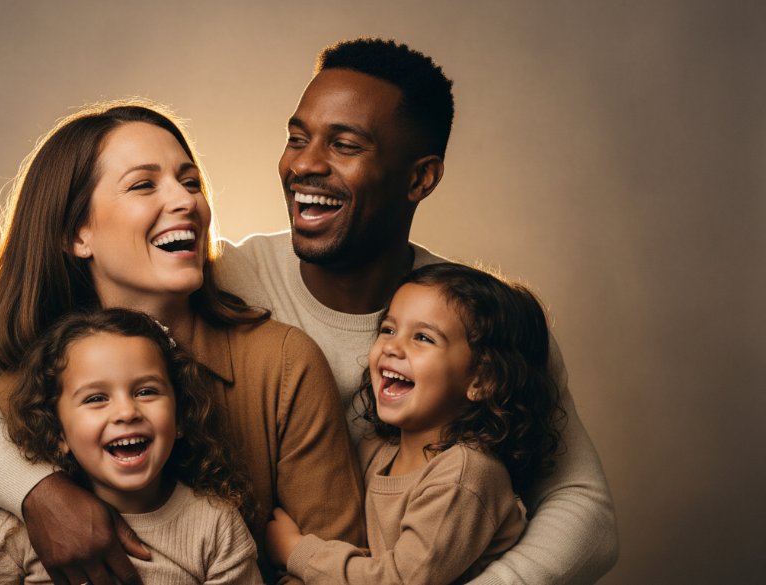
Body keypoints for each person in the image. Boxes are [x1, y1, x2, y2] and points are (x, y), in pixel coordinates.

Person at [0, 102, 365, 585]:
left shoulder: (283, 364)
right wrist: (38, 492)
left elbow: (329, 564)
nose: (186, 201)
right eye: (143, 185)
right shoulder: (31, 380)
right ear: (77, 234)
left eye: (191, 182)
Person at [212, 38, 619, 584]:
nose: (304, 163)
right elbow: (94, 338)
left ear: (419, 178)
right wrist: (77, 491)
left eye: (345, 145)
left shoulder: (481, 320)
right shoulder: (222, 281)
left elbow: (585, 511)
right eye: (297, 138)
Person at [264, 263, 563, 584]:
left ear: (482, 380)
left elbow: (397, 580)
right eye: (388, 330)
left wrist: (296, 551)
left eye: (423, 337)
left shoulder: (466, 476)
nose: (392, 347)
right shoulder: (376, 449)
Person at [0, 309, 263, 584]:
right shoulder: (20, 531)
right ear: (59, 432)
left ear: (179, 417)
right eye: (96, 398)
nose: (126, 412)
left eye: (146, 391)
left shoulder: (216, 527)